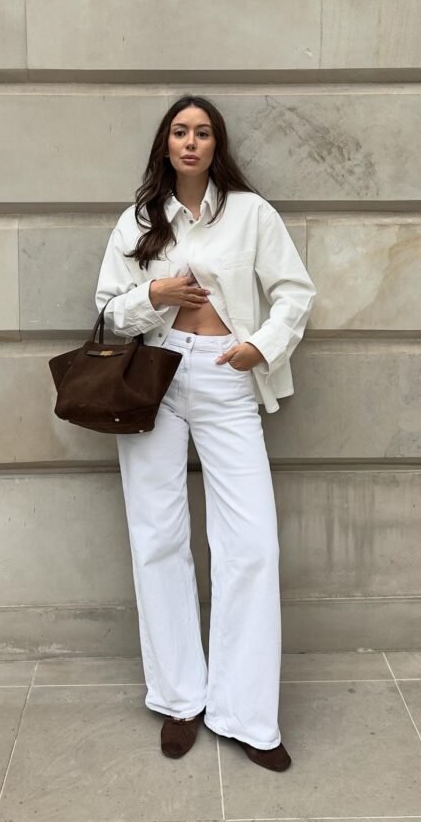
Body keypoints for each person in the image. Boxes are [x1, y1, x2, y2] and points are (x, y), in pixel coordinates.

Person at [94, 94, 317, 772]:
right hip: (152, 381)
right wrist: (154, 297)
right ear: (165, 144)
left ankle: (246, 713)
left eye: (202, 133)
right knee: (158, 536)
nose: (190, 143)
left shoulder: (251, 214)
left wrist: (262, 347)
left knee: (250, 544)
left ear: (217, 146)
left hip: (225, 376)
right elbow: (106, 310)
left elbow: (294, 292)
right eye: (179, 132)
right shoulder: (137, 220)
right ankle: (179, 699)